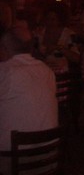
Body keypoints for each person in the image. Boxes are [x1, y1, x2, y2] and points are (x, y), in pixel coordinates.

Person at [0, 25, 58, 175]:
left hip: (14, 159)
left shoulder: (6, 72)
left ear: (4, 48)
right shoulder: (46, 70)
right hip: (49, 155)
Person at [34, 1, 80, 72]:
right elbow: (33, 53)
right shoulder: (39, 33)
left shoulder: (69, 34)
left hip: (61, 72)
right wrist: (44, 55)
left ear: (60, 20)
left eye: (53, 19)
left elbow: (77, 58)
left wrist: (58, 48)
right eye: (48, 19)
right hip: (41, 70)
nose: (49, 22)